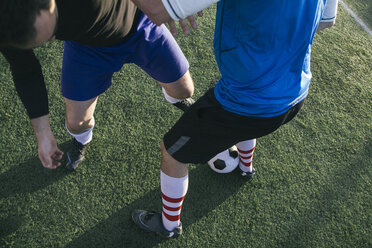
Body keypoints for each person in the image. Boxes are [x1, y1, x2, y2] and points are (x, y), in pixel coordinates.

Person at [131, 0, 339, 238]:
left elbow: (158, 10)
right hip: (295, 92)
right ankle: (245, 167)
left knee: (172, 152)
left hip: (247, 102)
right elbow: (326, 22)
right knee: (244, 123)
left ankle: (168, 226)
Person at [0, 0, 197, 171]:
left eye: (54, 28)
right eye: (43, 41)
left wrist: (173, 4)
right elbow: (26, 71)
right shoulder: (8, 26)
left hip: (140, 23)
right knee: (77, 124)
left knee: (184, 91)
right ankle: (82, 140)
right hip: (85, 49)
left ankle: (175, 98)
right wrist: (42, 134)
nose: (53, 38)